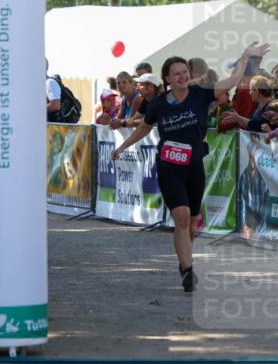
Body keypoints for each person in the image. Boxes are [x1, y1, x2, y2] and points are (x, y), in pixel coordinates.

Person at [112, 42, 269, 292]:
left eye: (185, 71)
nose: (183, 76)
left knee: (192, 221)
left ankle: (186, 259)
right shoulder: (159, 103)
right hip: (168, 167)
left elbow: (231, 81)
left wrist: (245, 57)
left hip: (194, 166)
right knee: (182, 217)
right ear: (167, 79)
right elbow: (145, 127)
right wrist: (122, 147)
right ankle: (187, 270)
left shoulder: (201, 94)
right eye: (177, 73)